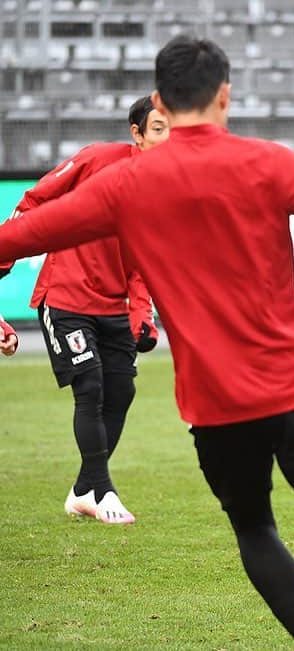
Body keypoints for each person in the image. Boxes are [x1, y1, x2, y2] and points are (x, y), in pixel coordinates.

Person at [0, 35, 294, 651]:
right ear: (225, 95)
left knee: (255, 527)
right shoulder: (268, 163)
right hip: (292, 384)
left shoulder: (124, 183)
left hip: (210, 403)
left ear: (161, 102)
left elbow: (19, 235)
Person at [0, 96, 167, 524]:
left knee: (122, 391)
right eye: (159, 129)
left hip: (113, 306)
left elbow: (144, 261)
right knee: (89, 387)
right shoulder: (96, 159)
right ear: (137, 133)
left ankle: (82, 490)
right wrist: (5, 256)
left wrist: (142, 315)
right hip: (65, 297)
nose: (169, 139)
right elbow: (35, 201)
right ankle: (103, 489)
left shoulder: (168, 190)